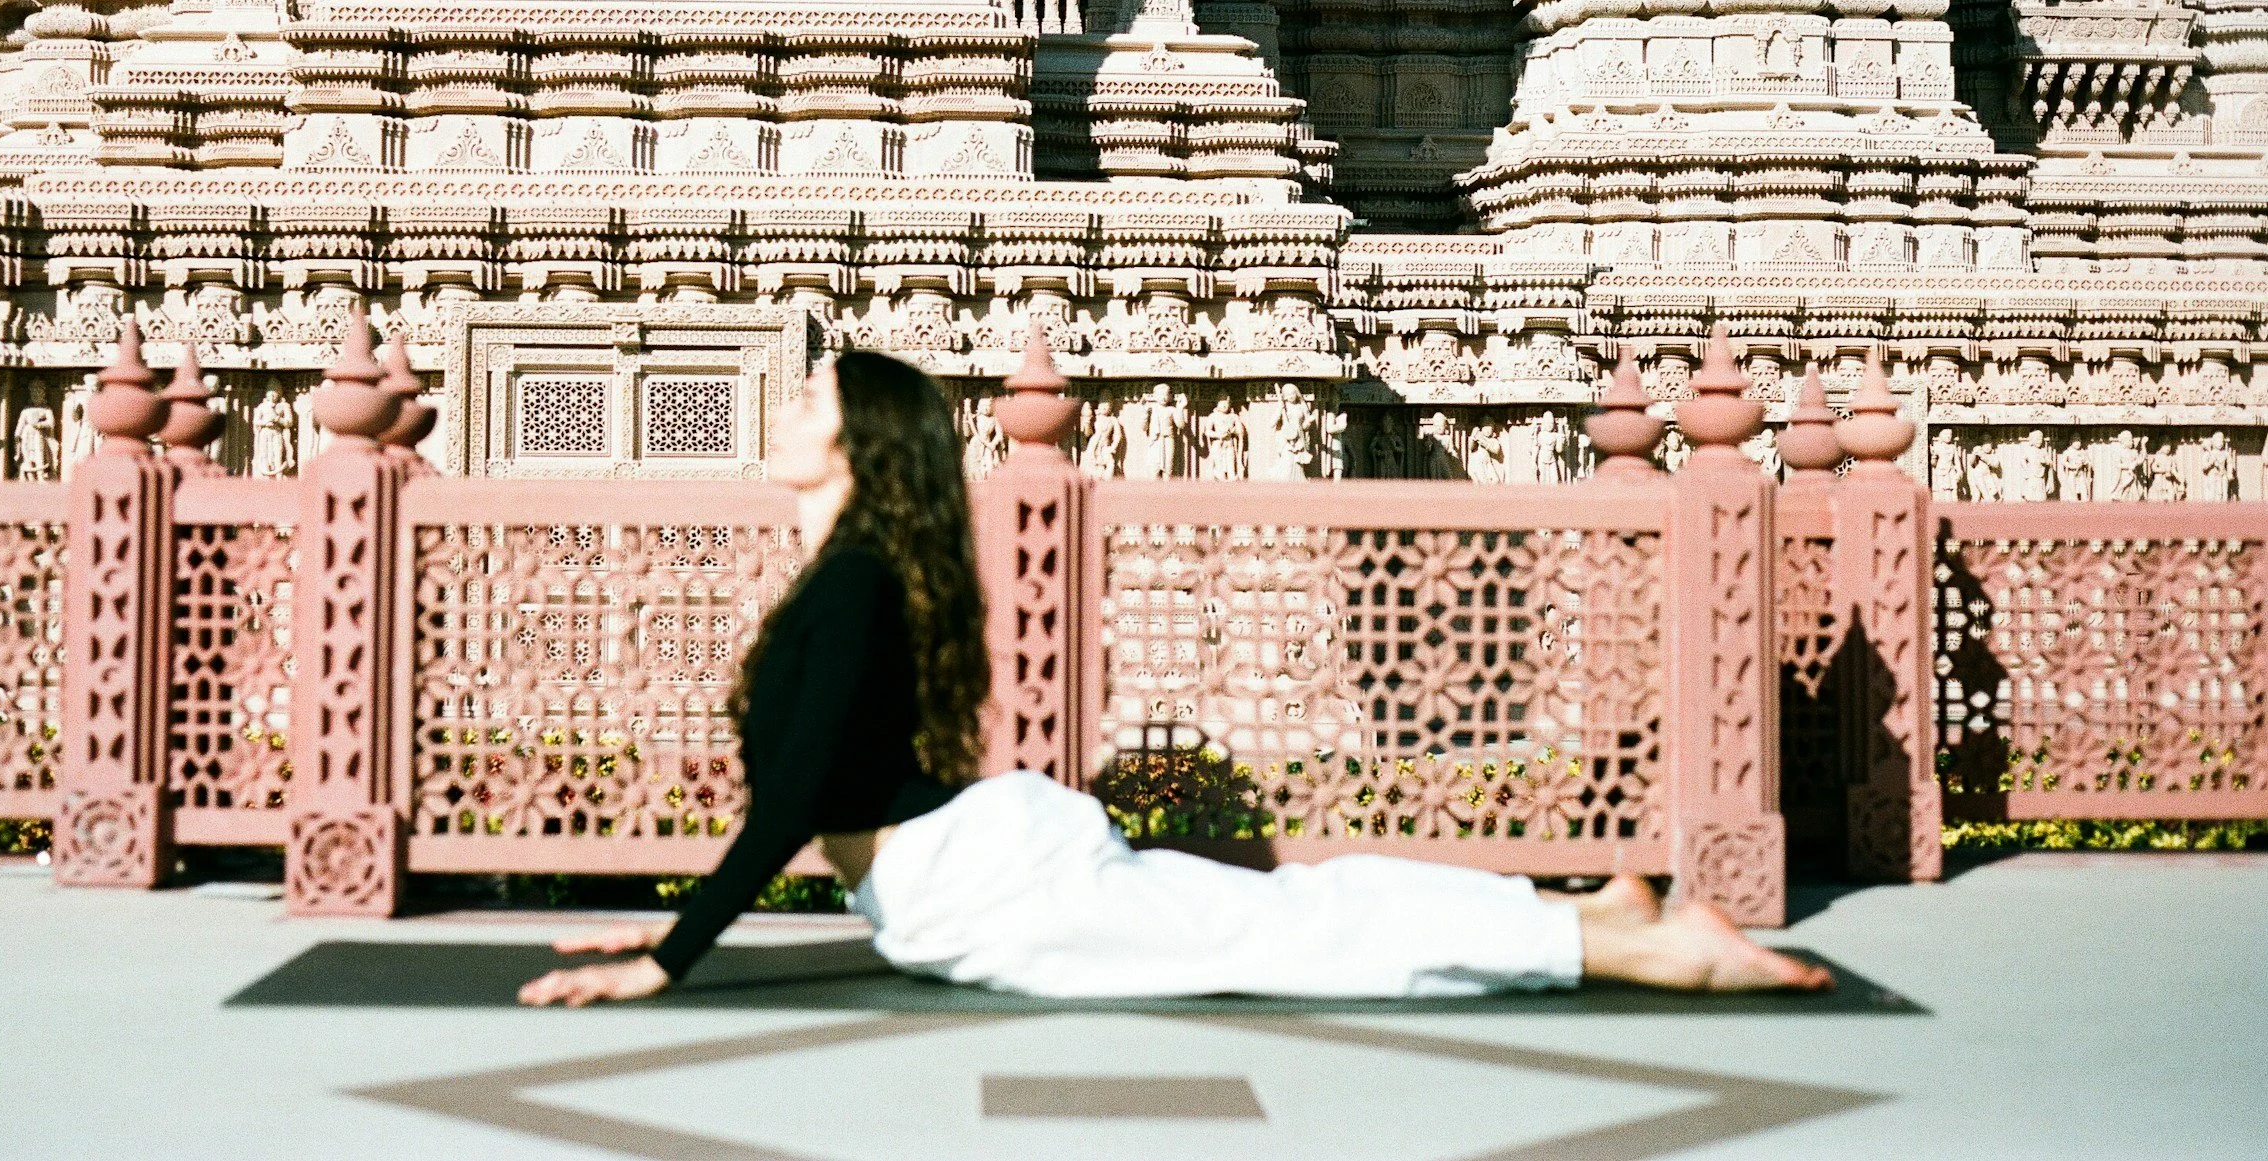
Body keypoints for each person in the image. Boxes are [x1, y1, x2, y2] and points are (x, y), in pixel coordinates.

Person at [519, 353, 1830, 1007]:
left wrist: (670, 958)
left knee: (1296, 936)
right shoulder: (844, 572)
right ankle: (1591, 913)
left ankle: (1641, 944)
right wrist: (664, 937)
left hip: (975, 882)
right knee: (1288, 920)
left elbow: (800, 792)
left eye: (809, 397)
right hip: (964, 869)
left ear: (855, 437)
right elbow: (823, 778)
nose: (784, 410)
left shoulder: (856, 581)